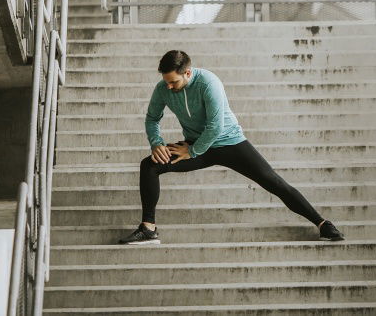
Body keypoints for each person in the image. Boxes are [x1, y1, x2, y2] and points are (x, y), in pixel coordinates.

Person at [116, 49, 344, 244]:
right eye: (166, 81)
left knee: (272, 181)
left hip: (229, 142)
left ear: (188, 72)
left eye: (173, 82)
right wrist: (157, 143)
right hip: (197, 144)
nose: (169, 86)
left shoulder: (209, 83)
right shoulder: (163, 88)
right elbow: (152, 118)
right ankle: (148, 229)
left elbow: (216, 127)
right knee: (150, 165)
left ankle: (322, 224)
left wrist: (191, 151)